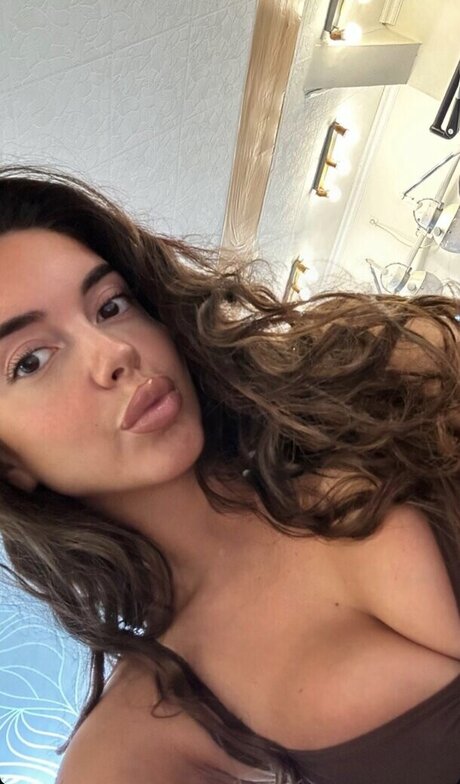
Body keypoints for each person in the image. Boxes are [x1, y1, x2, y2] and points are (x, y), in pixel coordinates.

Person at [0, 164, 458, 784]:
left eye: (110, 305)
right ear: (9, 462)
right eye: (30, 360)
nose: (115, 353)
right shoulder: (141, 740)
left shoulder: (390, 373)